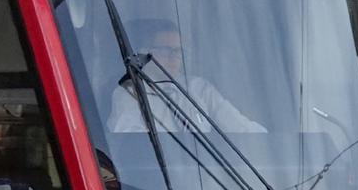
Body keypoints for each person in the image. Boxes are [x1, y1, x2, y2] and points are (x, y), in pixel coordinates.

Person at [106, 20, 264, 135]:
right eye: (166, 50)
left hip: (208, 174)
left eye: (178, 51)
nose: (174, 57)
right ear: (144, 53)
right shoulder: (129, 93)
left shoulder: (199, 88)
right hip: (157, 176)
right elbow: (130, 142)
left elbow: (242, 128)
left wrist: (270, 141)